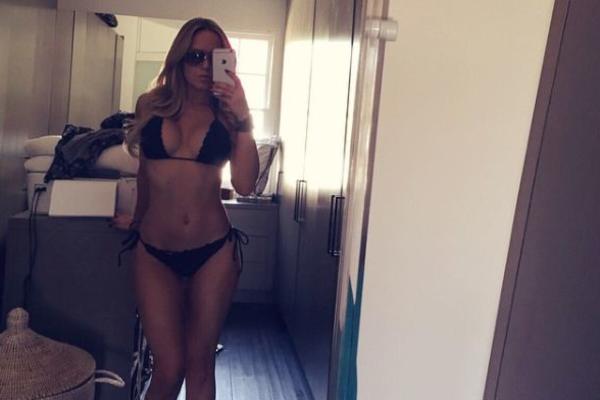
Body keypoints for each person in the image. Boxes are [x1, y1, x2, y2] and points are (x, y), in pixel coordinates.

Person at [112, 17, 259, 400]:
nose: (205, 66)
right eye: (196, 56)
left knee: (200, 367)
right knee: (169, 367)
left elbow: (245, 184)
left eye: (215, 57)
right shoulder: (151, 105)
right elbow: (146, 173)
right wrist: (137, 219)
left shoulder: (229, 115)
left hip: (213, 252)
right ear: (179, 58)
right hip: (153, 252)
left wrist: (244, 117)